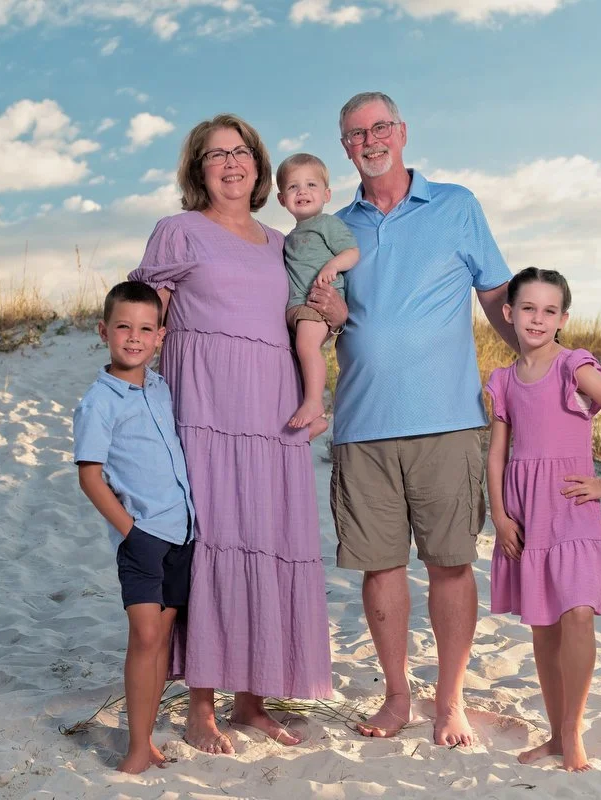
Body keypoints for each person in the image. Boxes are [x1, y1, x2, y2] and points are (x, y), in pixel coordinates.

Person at [306, 91, 517, 746]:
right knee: (380, 568)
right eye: (354, 134)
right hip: (362, 427)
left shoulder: (456, 206)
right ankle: (398, 696)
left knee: (451, 563)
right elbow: (313, 321)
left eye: (378, 128)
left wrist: (546, 367)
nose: (368, 141)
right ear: (343, 147)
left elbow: (498, 297)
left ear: (401, 131)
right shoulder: (331, 231)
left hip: (449, 423)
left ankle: (449, 700)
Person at [128, 114, 332, 755]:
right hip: (206, 408)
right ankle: (202, 707)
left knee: (267, 540)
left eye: (241, 151)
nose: (231, 162)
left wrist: (327, 325)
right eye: (216, 154)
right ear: (198, 169)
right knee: (213, 542)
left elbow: (311, 316)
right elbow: (143, 309)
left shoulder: (284, 242)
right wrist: (127, 386)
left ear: (259, 164)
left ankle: (254, 701)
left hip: (272, 410)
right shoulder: (178, 231)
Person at [484, 267, 601, 772]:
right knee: (544, 625)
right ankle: (555, 735)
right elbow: (496, 454)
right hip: (525, 511)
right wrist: (500, 515)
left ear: (563, 318)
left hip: (572, 508)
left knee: (577, 613)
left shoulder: (572, 367)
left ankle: (572, 732)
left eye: (549, 310)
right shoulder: (505, 380)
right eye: (528, 308)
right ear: (509, 314)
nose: (537, 318)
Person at [73, 280, 196, 774]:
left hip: (181, 534)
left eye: (145, 329)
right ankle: (134, 748)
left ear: (160, 337)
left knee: (161, 640)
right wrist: (132, 531)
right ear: (104, 330)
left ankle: (145, 739)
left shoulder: (163, 387)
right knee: (144, 638)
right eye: (123, 327)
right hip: (142, 538)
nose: (133, 337)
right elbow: (89, 475)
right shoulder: (99, 402)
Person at [276, 153, 359, 437]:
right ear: (281, 199)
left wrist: (333, 266)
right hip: (297, 309)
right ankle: (314, 421)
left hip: (317, 302)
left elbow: (352, 253)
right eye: (293, 187)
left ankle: (314, 404)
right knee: (294, 358)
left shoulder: (327, 224)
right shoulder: (288, 238)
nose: (302, 192)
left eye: (311, 185)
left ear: (326, 193)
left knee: (307, 349)